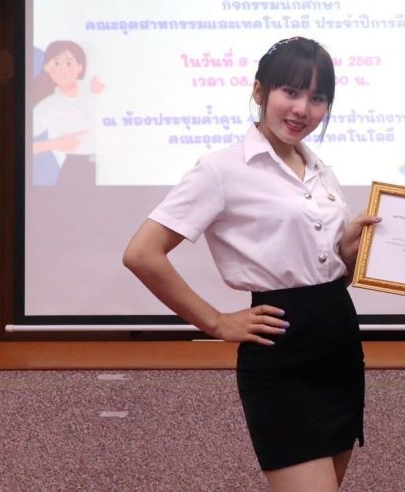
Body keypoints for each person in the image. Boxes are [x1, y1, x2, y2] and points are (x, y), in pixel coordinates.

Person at [123, 37, 379, 492]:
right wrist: (216, 321)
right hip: (282, 353)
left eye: (317, 98)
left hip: (339, 345)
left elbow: (323, 269)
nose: (302, 109)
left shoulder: (320, 169)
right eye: (290, 92)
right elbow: (142, 253)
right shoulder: (221, 169)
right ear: (260, 91)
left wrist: (348, 254)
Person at [32, 40, 104, 186]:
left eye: (69, 63)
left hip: (112, 163)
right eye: (56, 63)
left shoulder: (97, 90)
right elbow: (25, 146)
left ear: (80, 67)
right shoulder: (47, 106)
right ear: (46, 67)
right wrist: (55, 143)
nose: (62, 69)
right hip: (76, 168)